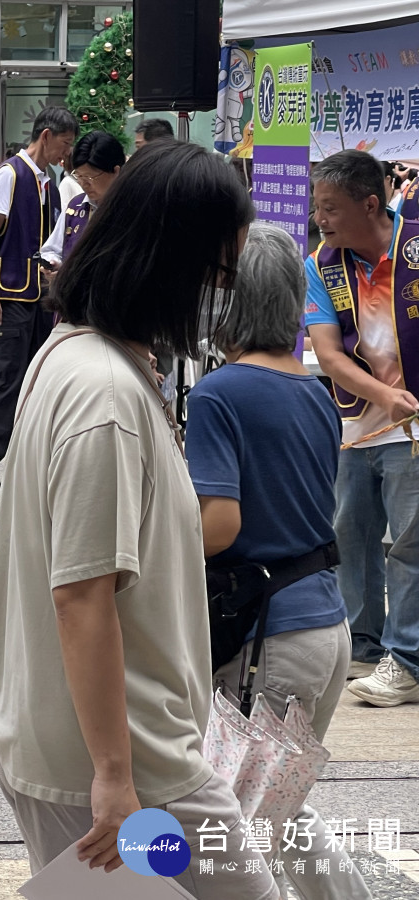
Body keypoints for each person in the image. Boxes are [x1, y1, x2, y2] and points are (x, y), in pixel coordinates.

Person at [0, 141, 276, 898]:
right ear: (169, 264)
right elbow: (82, 595)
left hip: (105, 752)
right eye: (217, 274)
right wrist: (115, 776)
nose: (219, 297)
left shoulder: (73, 357)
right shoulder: (105, 396)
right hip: (130, 770)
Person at [189, 223, 370, 900]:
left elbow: (219, 525)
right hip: (325, 626)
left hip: (269, 639)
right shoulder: (315, 393)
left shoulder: (219, 392)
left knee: (229, 834)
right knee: (278, 806)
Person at [306, 149, 419, 707]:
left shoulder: (414, 248)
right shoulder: (322, 264)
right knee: (350, 537)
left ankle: (408, 659)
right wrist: (383, 396)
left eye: (330, 207)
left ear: (370, 204)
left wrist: (401, 401)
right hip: (356, 424)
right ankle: (365, 646)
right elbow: (329, 354)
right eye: (317, 206)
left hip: (413, 429)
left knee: (410, 545)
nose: (319, 218)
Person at [0, 107, 77, 499]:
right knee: (6, 380)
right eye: (64, 143)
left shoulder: (49, 182)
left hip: (38, 296)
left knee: (35, 380)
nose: (66, 151)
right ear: (46, 136)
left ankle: (23, 464)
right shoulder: (10, 175)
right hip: (9, 296)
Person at [39, 131, 126, 268]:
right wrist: (54, 265)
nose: (84, 184)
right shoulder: (76, 205)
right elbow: (51, 250)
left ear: (116, 171)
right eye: (79, 176)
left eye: (90, 177)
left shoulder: (132, 209)